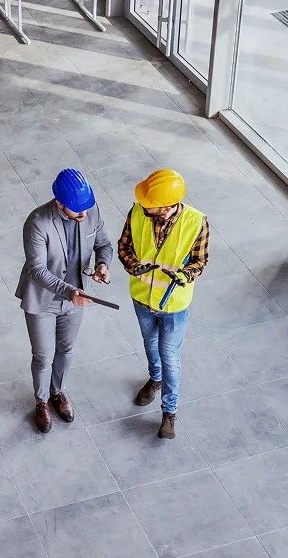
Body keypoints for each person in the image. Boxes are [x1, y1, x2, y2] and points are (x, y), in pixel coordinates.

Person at [15, 169, 113, 433]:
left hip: (75, 300)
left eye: (86, 209)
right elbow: (37, 270)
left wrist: (103, 263)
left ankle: (58, 392)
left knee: (66, 350)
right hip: (44, 301)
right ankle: (42, 401)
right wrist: (69, 292)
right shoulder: (37, 222)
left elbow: (103, 244)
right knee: (43, 356)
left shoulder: (89, 211)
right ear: (60, 204)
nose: (83, 215)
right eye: (77, 211)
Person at [118, 169, 209, 439]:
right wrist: (134, 266)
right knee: (149, 343)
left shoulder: (196, 222)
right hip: (142, 298)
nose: (143, 205)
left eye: (150, 203)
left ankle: (169, 412)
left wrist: (184, 275)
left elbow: (200, 261)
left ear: (167, 207)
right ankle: (154, 378)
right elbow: (125, 247)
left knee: (169, 355)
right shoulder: (137, 212)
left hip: (173, 305)